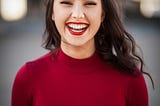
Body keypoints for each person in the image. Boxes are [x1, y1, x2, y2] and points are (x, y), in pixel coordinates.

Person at [12, 0, 153, 106]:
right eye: (66, 2)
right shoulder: (27, 78)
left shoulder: (131, 80)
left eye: (89, 3)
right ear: (52, 12)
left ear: (102, 14)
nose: (78, 15)